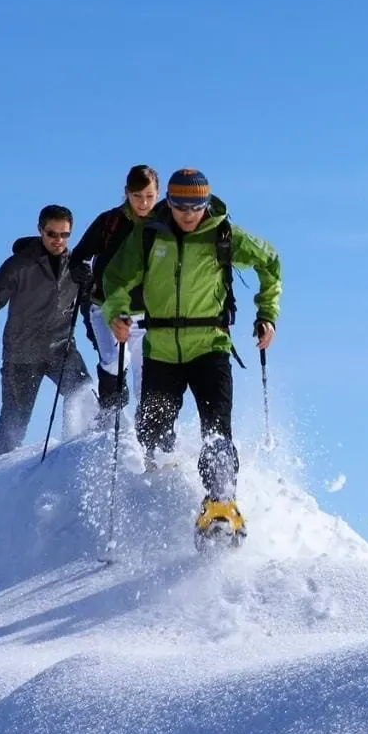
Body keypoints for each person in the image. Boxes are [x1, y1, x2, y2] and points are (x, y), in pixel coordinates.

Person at [99, 169, 281, 542]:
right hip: (161, 348)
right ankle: (163, 503)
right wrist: (116, 313)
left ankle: (221, 506)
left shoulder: (222, 234)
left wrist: (266, 314)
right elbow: (115, 279)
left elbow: (270, 262)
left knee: (216, 429)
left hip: (209, 347)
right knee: (153, 431)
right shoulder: (149, 234)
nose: (187, 213)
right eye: (180, 204)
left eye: (195, 205)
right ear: (169, 201)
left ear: (206, 203)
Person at [0, 205, 96, 455]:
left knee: (87, 398)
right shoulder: (19, 265)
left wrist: (89, 284)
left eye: (64, 235)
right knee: (14, 422)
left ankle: (78, 453)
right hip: (22, 354)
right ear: (40, 230)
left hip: (61, 349)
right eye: (52, 234)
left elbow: (92, 304)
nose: (58, 240)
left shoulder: (76, 265)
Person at [69, 164, 157, 412]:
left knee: (146, 375)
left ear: (158, 194)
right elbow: (79, 256)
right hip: (105, 306)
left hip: (147, 313)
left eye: (149, 196)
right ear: (127, 192)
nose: (143, 203)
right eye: (137, 196)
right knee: (114, 361)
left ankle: (149, 435)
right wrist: (81, 271)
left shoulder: (163, 224)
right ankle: (110, 418)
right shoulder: (110, 221)